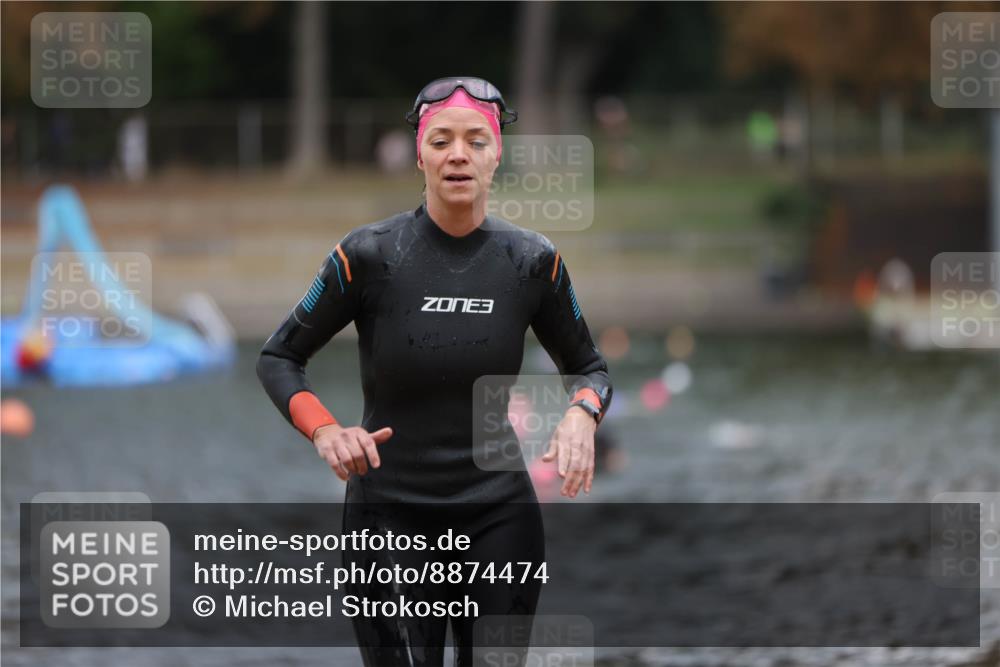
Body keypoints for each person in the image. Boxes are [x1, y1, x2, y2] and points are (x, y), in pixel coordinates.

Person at [257, 76, 613, 666]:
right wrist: (326, 431)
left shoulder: (532, 262)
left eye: (476, 141)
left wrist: (582, 414)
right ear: (419, 155)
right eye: (441, 140)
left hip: (499, 515)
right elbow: (279, 357)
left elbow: (589, 369)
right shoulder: (368, 255)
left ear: (496, 155)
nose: (458, 155)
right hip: (387, 518)